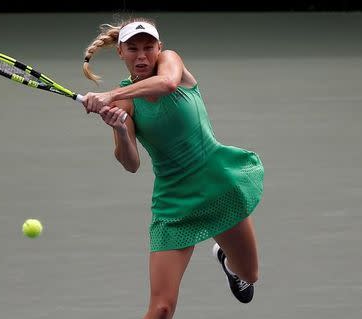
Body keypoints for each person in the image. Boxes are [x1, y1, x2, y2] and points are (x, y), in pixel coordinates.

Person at [80, 17, 264, 319]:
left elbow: (166, 84)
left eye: (148, 47)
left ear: (159, 48)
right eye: (133, 49)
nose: (142, 56)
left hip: (219, 185)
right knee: (162, 308)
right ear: (121, 53)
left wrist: (111, 94)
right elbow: (131, 164)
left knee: (251, 274)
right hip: (174, 204)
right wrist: (122, 130)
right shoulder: (126, 103)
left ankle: (227, 261)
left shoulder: (170, 62)